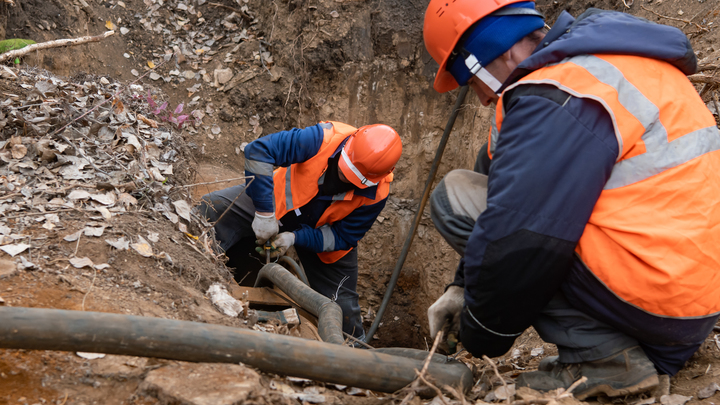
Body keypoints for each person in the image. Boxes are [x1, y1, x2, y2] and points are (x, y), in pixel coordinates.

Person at [422, 0, 720, 399]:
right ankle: (631, 354)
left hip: (656, 292)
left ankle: (604, 363)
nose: (478, 98)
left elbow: (523, 237)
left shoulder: (558, 94)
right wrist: (462, 287)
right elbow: (500, 181)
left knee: (455, 196)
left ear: (498, 51)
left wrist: (481, 331)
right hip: (686, 297)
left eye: (471, 79)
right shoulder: (608, 64)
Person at [197, 121, 402, 341]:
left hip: (323, 237)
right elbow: (258, 151)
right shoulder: (322, 139)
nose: (344, 178)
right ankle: (195, 266)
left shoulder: (378, 194)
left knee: (343, 311)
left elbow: (343, 236)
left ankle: (352, 359)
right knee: (213, 208)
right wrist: (265, 213)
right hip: (275, 204)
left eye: (354, 179)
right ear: (347, 146)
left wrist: (295, 237)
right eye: (345, 169)